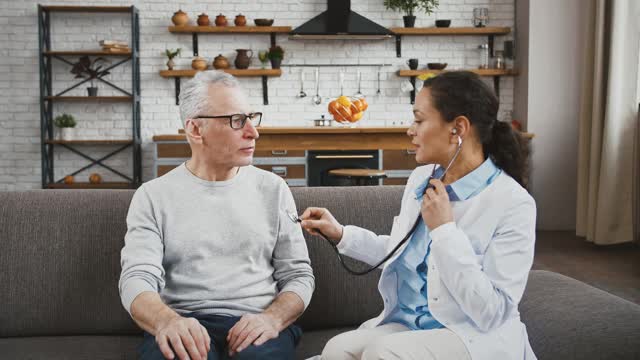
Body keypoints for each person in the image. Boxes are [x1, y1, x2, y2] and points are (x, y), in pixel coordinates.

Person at [301, 71, 536, 360]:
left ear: (458, 128)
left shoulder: (513, 203)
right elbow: (402, 251)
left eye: (419, 119)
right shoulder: (422, 178)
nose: (410, 130)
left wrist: (445, 231)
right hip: (414, 326)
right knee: (336, 350)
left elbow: (493, 311)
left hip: (471, 335)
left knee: (381, 352)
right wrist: (340, 234)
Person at [119, 70, 315, 360]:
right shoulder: (152, 196)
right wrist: (166, 322)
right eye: (237, 121)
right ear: (196, 130)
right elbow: (137, 278)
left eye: (251, 118)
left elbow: (298, 275)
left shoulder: (274, 189)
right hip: (185, 322)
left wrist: (272, 319)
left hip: (258, 323)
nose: (253, 132)